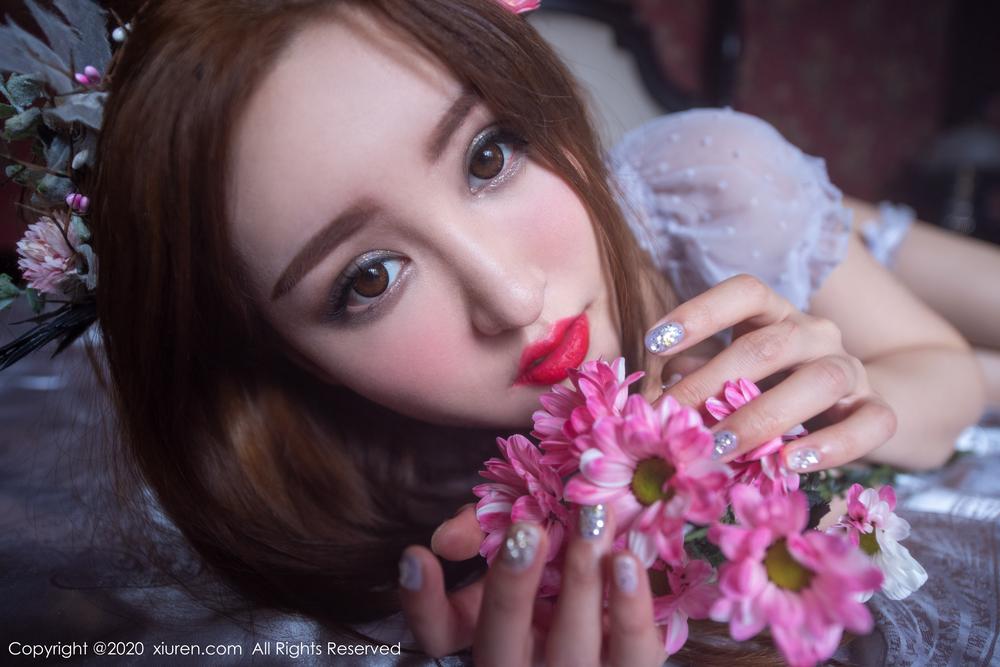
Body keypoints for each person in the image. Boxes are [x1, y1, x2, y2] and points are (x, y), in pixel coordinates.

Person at [4, 0, 995, 664]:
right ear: (283, 356)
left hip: (755, 205)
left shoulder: (721, 194)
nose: (514, 300)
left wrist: (858, 398)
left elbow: (947, 371)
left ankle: (866, 222)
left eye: (489, 156)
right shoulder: (360, 485)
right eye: (368, 279)